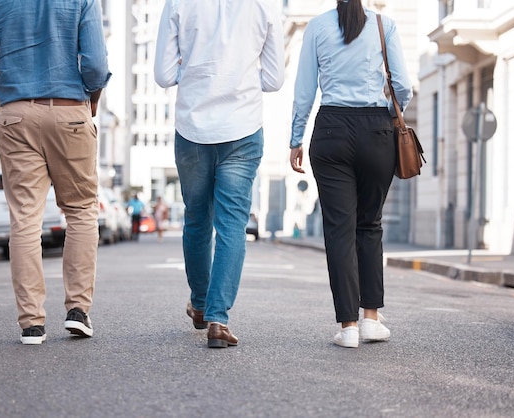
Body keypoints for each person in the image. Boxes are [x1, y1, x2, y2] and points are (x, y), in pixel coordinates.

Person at [0, 0, 111, 345]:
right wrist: (90, 99)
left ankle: (31, 323)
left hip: (16, 115)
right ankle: (78, 310)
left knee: (24, 219)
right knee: (80, 211)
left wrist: (16, 91)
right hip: (69, 113)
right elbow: (95, 66)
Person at [154, 0, 285, 348]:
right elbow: (273, 79)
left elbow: (164, 75)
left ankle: (199, 305)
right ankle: (218, 318)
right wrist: (236, 75)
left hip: (193, 127)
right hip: (242, 127)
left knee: (197, 221)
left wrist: (197, 73)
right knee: (231, 226)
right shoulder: (266, 5)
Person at [289, 0, 412, 348]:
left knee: (339, 230)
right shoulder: (383, 25)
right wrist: (387, 114)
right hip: (377, 130)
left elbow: (303, 92)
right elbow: (403, 86)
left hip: (331, 130)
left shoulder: (316, 27)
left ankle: (348, 327)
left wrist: (296, 138)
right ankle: (371, 319)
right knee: (370, 224)